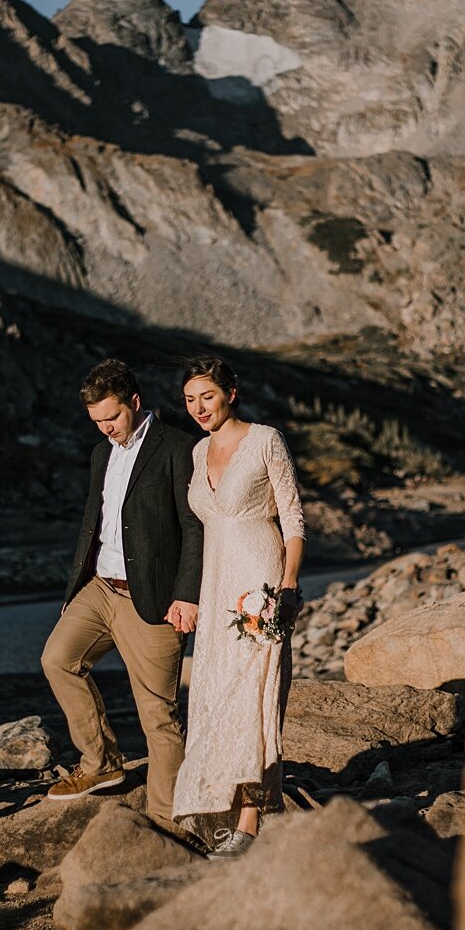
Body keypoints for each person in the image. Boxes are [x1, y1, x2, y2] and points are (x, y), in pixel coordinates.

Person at [41, 358, 202, 833]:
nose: (106, 429)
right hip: (99, 588)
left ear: (135, 402)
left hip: (152, 599)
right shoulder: (100, 453)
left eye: (111, 418)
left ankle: (167, 819)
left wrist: (187, 595)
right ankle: (101, 762)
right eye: (97, 422)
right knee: (58, 660)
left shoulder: (178, 448)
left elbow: (194, 528)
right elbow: (93, 523)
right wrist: (76, 588)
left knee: (158, 714)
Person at [172, 355, 305, 857]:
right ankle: (221, 807)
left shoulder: (266, 439)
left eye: (206, 395)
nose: (198, 407)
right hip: (215, 582)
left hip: (259, 577)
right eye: (189, 399)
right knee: (213, 693)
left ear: (230, 391)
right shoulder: (197, 451)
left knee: (253, 694)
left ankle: (248, 820)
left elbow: (293, 519)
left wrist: (288, 585)